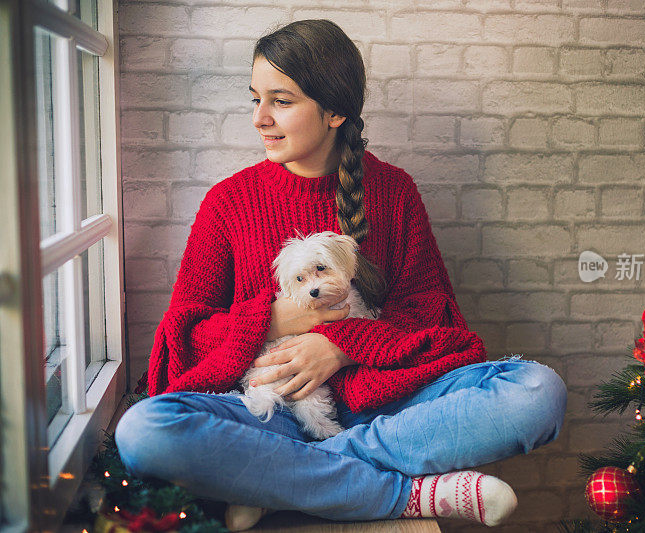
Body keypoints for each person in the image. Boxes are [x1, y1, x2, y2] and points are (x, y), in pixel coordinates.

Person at [114, 19, 567, 530]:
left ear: (334, 112)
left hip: (387, 403)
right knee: (144, 431)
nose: (260, 119)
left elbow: (431, 315)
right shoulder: (229, 202)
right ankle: (405, 493)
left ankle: (286, 479)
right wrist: (275, 322)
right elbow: (183, 340)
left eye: (281, 101)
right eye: (255, 99)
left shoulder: (393, 192)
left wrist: (343, 344)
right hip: (272, 410)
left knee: (537, 392)